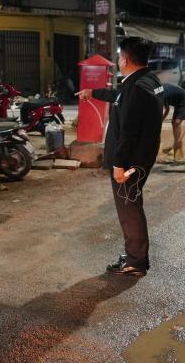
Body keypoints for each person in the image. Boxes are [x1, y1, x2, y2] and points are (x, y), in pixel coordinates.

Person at [76, 37, 164, 276]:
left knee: (129, 209)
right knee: (131, 205)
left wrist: (118, 165)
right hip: (142, 157)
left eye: (119, 57)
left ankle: (136, 261)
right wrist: (93, 92)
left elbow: (129, 132)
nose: (118, 60)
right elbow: (120, 96)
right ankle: (136, 254)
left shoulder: (135, 88)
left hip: (130, 162)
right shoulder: (149, 80)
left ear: (125, 60)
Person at [161, 83, 185, 161]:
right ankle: (177, 150)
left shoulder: (158, 94)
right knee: (174, 123)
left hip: (183, 100)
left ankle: (178, 144)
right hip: (178, 102)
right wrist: (161, 120)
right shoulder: (159, 93)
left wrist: (180, 139)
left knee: (177, 122)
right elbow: (167, 109)